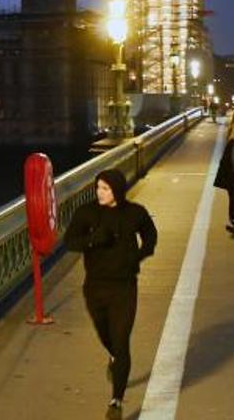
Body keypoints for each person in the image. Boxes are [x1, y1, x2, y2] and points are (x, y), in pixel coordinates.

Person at [64, 169, 157, 418]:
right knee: (106, 336)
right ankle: (114, 357)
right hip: (95, 287)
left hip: (124, 287)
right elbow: (69, 241)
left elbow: (150, 234)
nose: (100, 193)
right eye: (98, 188)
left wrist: (140, 255)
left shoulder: (135, 212)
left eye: (105, 188)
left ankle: (116, 401)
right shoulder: (87, 213)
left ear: (117, 189)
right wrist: (93, 240)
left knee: (121, 339)